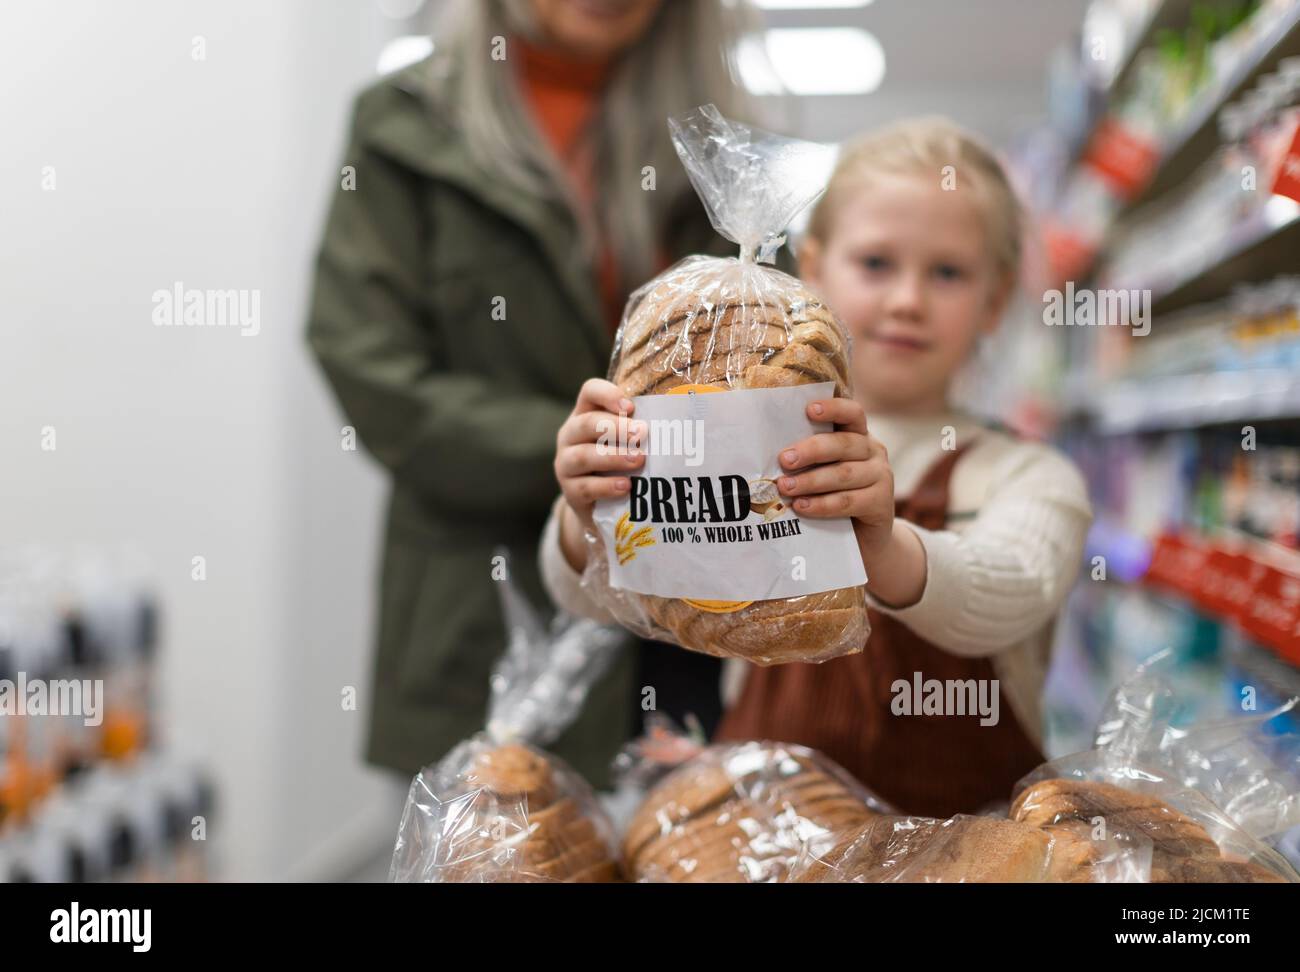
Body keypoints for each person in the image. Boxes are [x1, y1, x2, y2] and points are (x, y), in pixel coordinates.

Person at [541, 117, 1093, 816]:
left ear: (994, 300)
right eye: (876, 264)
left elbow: (1011, 594)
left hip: (967, 844)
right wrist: (588, 509)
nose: (907, 300)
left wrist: (885, 550)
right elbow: (597, 596)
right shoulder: (733, 441)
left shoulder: (1029, 476)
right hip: (768, 833)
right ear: (814, 266)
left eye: (948, 272)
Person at [305, 0, 759, 788]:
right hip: (477, 609)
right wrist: (584, 450)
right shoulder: (402, 127)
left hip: (687, 613)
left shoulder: (726, 146)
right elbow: (374, 371)